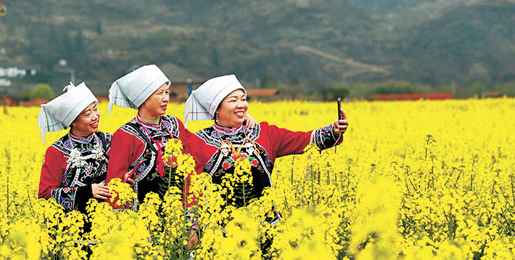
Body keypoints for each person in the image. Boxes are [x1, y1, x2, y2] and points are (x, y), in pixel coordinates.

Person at [184, 74, 349, 208]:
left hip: (264, 227)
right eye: (233, 101)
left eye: (243, 99)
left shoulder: (264, 133)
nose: (241, 105)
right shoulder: (198, 142)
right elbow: (191, 189)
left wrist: (333, 130)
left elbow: (305, 140)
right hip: (218, 234)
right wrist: (193, 228)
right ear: (216, 109)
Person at [105, 64, 210, 205]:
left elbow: (201, 148)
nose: (166, 98)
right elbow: (114, 185)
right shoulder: (125, 135)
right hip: (142, 217)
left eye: (167, 92)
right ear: (143, 98)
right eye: (160, 93)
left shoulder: (174, 124)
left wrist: (241, 124)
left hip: (178, 214)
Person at [37, 83, 112, 213]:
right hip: (74, 225)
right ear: (73, 122)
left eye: (95, 109)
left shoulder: (108, 141)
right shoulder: (57, 152)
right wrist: (85, 192)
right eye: (88, 114)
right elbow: (45, 194)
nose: (95, 116)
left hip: (109, 218)